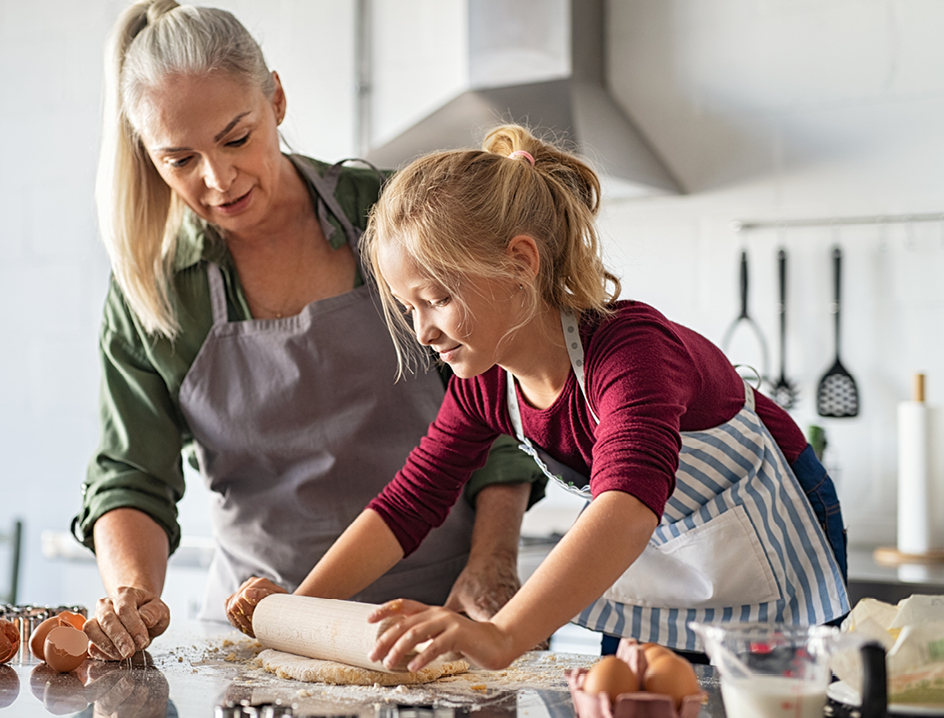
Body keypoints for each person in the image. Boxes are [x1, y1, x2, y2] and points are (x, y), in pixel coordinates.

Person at [227, 124, 850, 671]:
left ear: (520, 262)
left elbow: (627, 505)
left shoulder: (631, 350)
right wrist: (297, 608)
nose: (423, 331)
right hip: (656, 556)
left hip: (765, 538)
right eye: (408, 308)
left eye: (438, 298)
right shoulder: (487, 386)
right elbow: (409, 503)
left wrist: (502, 635)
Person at [70, 1, 546, 662]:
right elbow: (132, 477)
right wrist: (131, 595)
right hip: (260, 636)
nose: (218, 179)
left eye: (236, 138)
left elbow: (501, 400)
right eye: (179, 160)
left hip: (438, 623)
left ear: (278, 99)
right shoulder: (153, 291)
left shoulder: (391, 219)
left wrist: (493, 565)